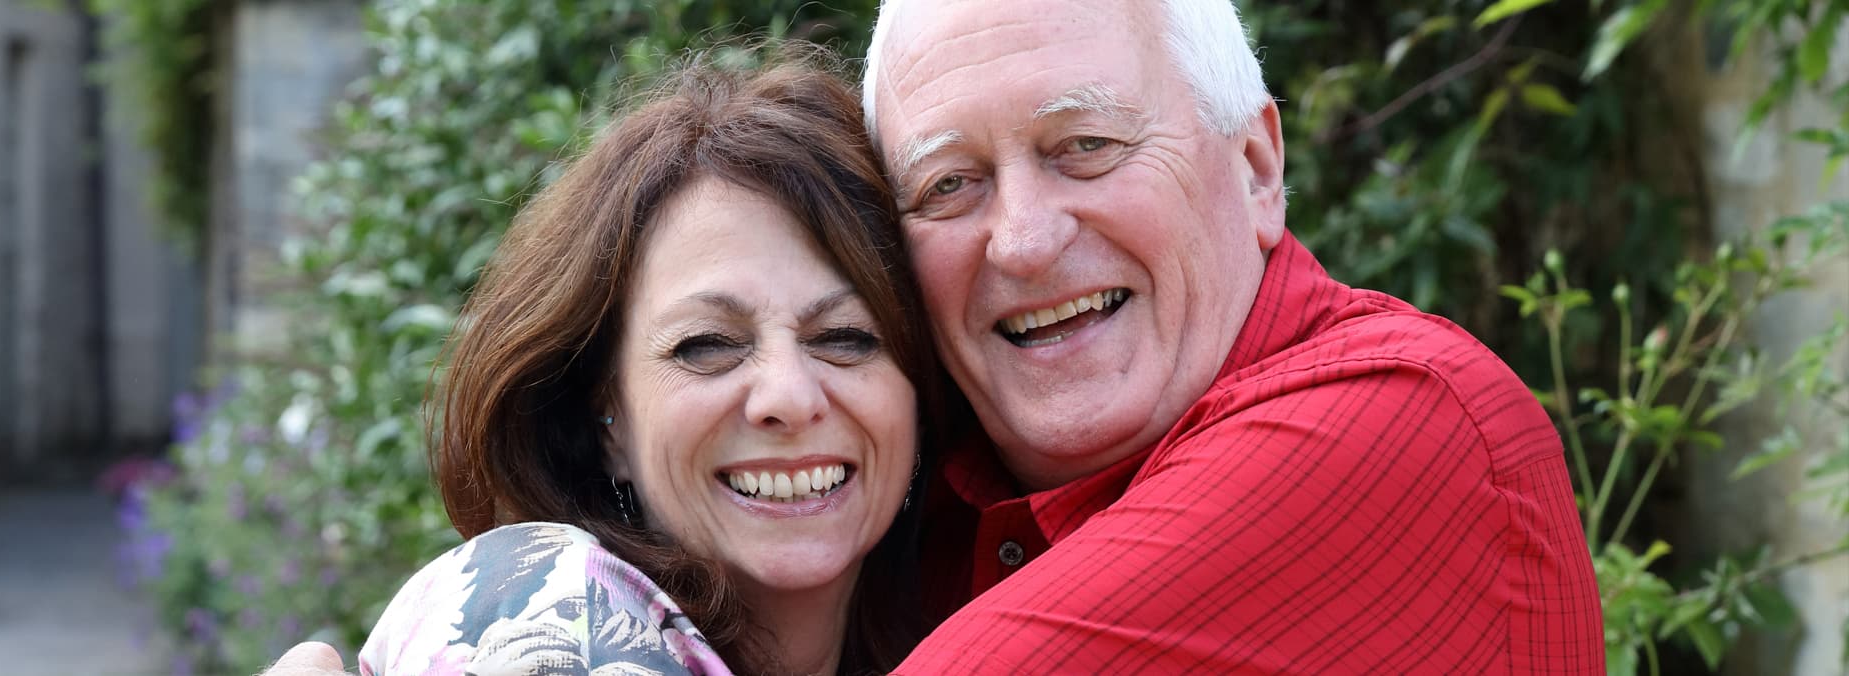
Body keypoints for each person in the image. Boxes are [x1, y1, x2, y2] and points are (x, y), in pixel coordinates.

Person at [858, 0, 1605, 672]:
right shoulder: (898, 488)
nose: (1023, 242)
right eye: (946, 185)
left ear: (1257, 169)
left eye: (1087, 145)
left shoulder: (1406, 411)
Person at [345, 52, 938, 676]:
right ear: (609, 422)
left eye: (846, 338)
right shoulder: (549, 608)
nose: (788, 397)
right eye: (707, 345)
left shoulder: (969, 630)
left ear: (921, 400)